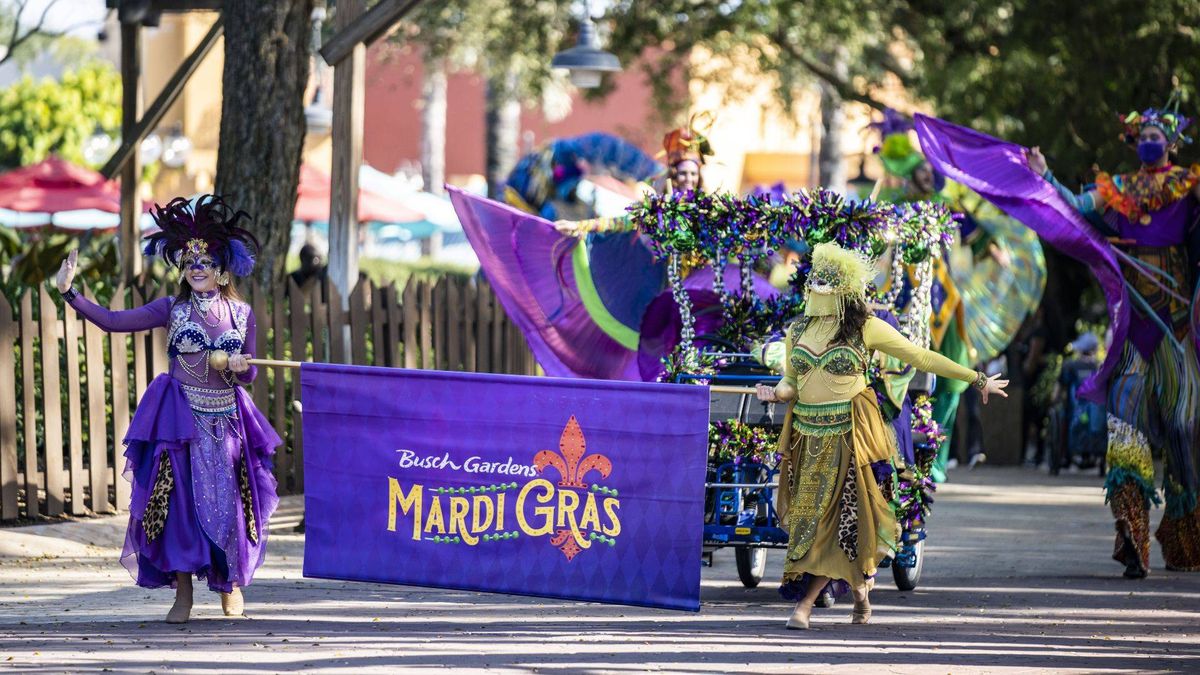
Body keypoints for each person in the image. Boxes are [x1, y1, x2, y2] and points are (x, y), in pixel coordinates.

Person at [755, 242, 1007, 629]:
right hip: (807, 437)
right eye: (816, 281)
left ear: (845, 289)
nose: (820, 289)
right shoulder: (798, 329)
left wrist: (978, 378)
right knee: (812, 521)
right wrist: (776, 391)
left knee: (836, 520)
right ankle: (860, 590)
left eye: (829, 283)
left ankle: (804, 605)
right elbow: (792, 381)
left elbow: (920, 357)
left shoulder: (866, 327)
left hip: (852, 436)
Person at [54, 195, 280, 623]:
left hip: (227, 423)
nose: (197, 268)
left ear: (223, 268)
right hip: (181, 422)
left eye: (206, 260)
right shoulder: (171, 309)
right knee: (178, 506)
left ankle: (229, 584)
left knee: (231, 504)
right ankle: (183, 594)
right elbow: (112, 321)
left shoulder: (242, 313)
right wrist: (71, 293)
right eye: (190, 261)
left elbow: (249, 373)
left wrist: (239, 367)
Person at [1027, 96, 1200, 574]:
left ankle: (1188, 542)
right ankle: (1132, 540)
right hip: (1133, 326)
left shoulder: (1190, 187)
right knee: (1124, 429)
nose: (1148, 143)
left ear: (1171, 142)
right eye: (1141, 137)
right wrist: (1045, 176)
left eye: (1155, 138)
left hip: (1177, 324)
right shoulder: (1118, 188)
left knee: (1185, 429)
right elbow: (1076, 207)